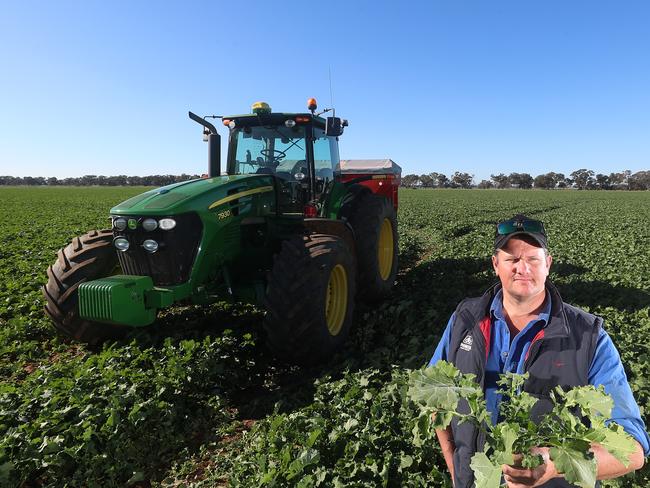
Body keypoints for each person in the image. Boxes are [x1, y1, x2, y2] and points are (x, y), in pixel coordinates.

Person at [428, 214, 649, 488]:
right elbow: (435, 396)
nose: (522, 268)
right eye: (511, 259)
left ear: (548, 263)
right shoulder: (465, 319)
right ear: (496, 265)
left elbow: (632, 451)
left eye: (533, 258)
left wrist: (554, 465)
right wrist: (455, 470)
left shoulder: (589, 337)